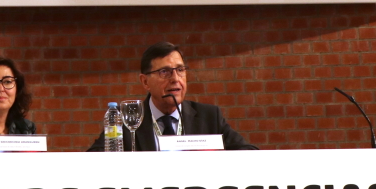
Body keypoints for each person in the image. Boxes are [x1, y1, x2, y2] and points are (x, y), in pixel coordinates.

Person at [88, 41, 255, 151]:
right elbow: (92, 159)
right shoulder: (126, 118)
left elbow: (250, 154)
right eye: (164, 72)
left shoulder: (209, 116)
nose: (175, 79)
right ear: (145, 81)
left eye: (180, 70)